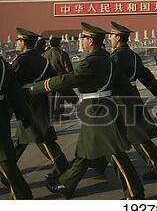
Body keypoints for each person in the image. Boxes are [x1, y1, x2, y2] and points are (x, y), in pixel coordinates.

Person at [32, 22, 144, 199]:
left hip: (96, 111)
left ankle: (134, 193)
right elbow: (124, 85)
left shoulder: (90, 63)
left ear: (91, 41)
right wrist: (135, 106)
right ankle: (67, 185)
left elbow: (66, 81)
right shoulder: (107, 60)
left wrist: (37, 87)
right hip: (101, 108)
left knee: (114, 153)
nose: (80, 41)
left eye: (82, 38)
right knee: (84, 151)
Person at [109, 21, 157, 180]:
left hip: (121, 99)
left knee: (136, 135)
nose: (110, 38)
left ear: (118, 38)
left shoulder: (117, 56)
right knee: (110, 135)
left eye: (112, 35)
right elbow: (146, 77)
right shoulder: (133, 55)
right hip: (131, 94)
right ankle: (97, 162)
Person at [11, 28, 69, 179]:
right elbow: (53, 79)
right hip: (40, 99)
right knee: (23, 138)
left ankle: (63, 167)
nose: (16, 42)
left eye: (18, 40)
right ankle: (7, 166)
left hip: (27, 102)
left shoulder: (21, 60)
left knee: (41, 137)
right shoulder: (43, 60)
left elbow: (12, 83)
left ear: (23, 42)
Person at [0, 56, 34, 199]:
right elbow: (15, 93)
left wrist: (23, 115)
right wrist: (23, 115)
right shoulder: (4, 66)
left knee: (3, 157)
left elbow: (15, 93)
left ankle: (22, 193)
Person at [42, 36, 78, 120]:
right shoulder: (62, 53)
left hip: (48, 79)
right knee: (59, 98)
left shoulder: (44, 54)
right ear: (59, 44)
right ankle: (58, 115)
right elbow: (68, 68)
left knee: (50, 97)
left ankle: (50, 115)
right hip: (60, 78)